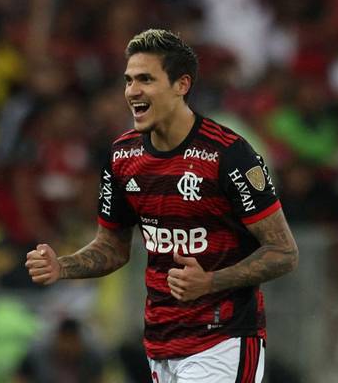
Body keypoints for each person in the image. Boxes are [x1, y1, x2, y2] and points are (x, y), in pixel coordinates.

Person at [25, 29, 299, 383]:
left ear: (181, 85)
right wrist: (62, 267)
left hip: (223, 340)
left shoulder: (229, 155)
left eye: (145, 79)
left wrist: (212, 281)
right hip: (161, 345)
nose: (132, 91)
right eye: (128, 80)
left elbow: (284, 252)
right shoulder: (123, 156)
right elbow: (112, 248)